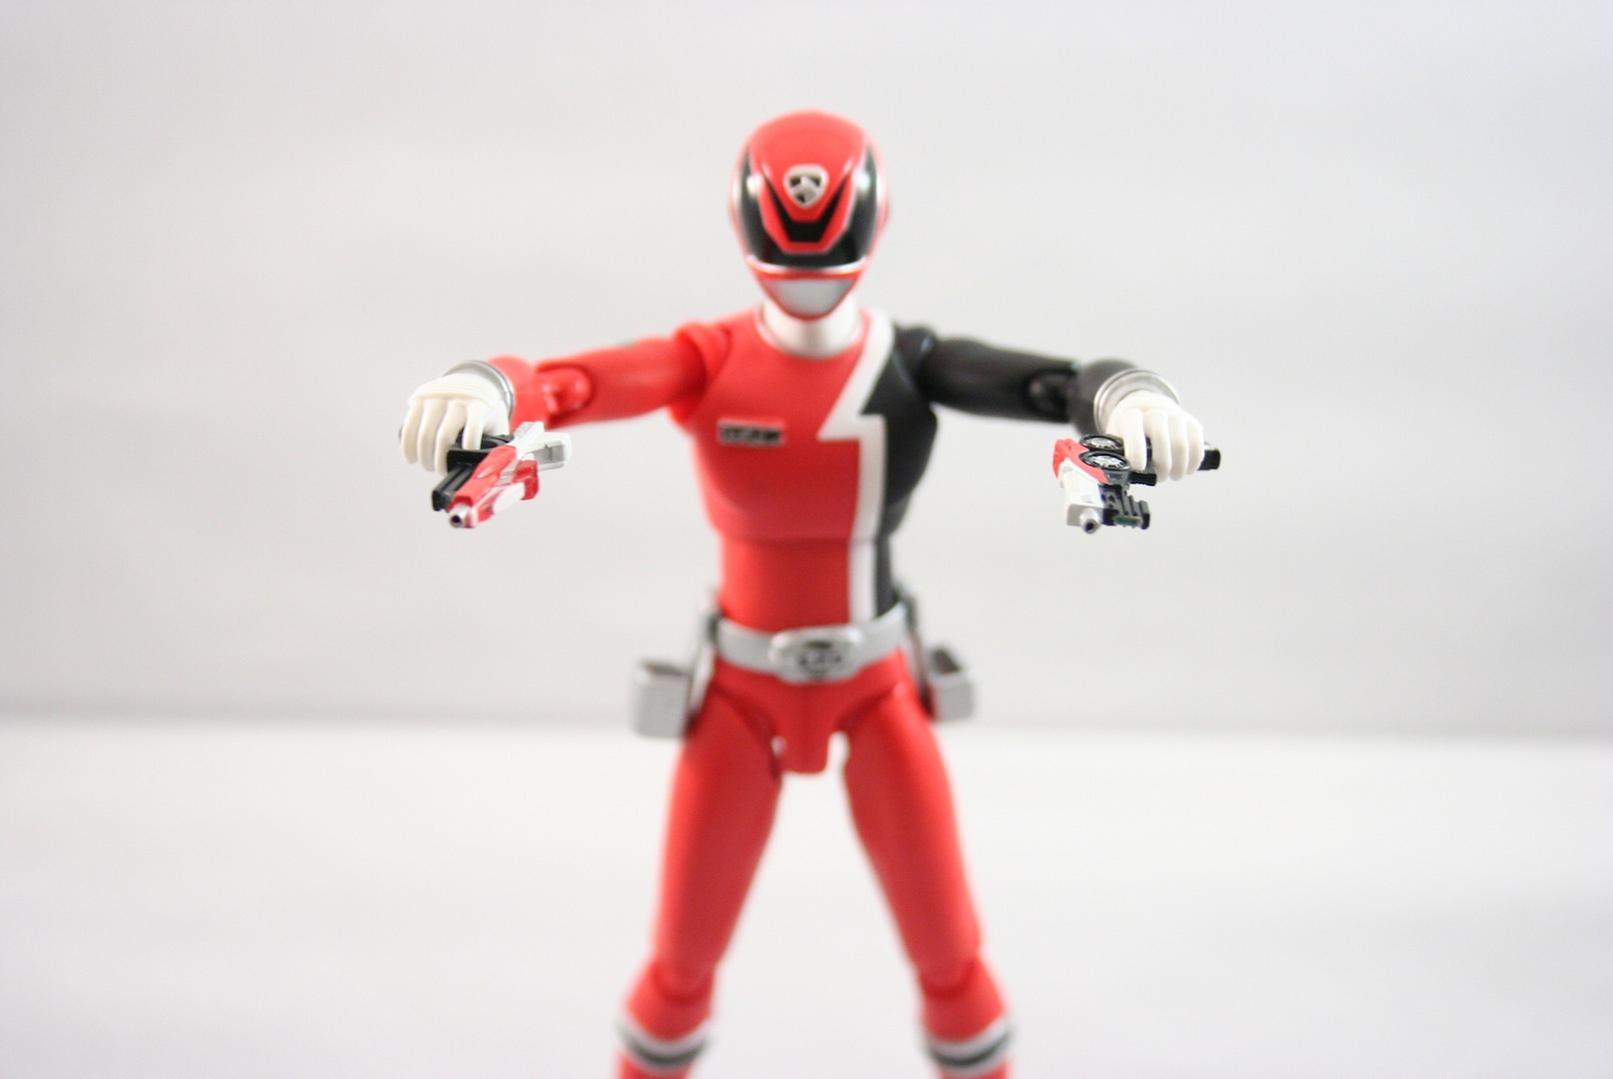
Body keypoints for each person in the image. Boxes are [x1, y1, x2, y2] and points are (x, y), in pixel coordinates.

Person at [399, 109, 1209, 1079]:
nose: (808, 279)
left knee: (950, 953)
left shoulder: (907, 360)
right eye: (788, 258)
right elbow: (582, 383)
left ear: (873, 222)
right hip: (740, 694)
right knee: (680, 959)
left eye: (826, 257)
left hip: (876, 688)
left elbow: (1043, 383)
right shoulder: (710, 357)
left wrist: (1122, 392)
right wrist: (496, 386)